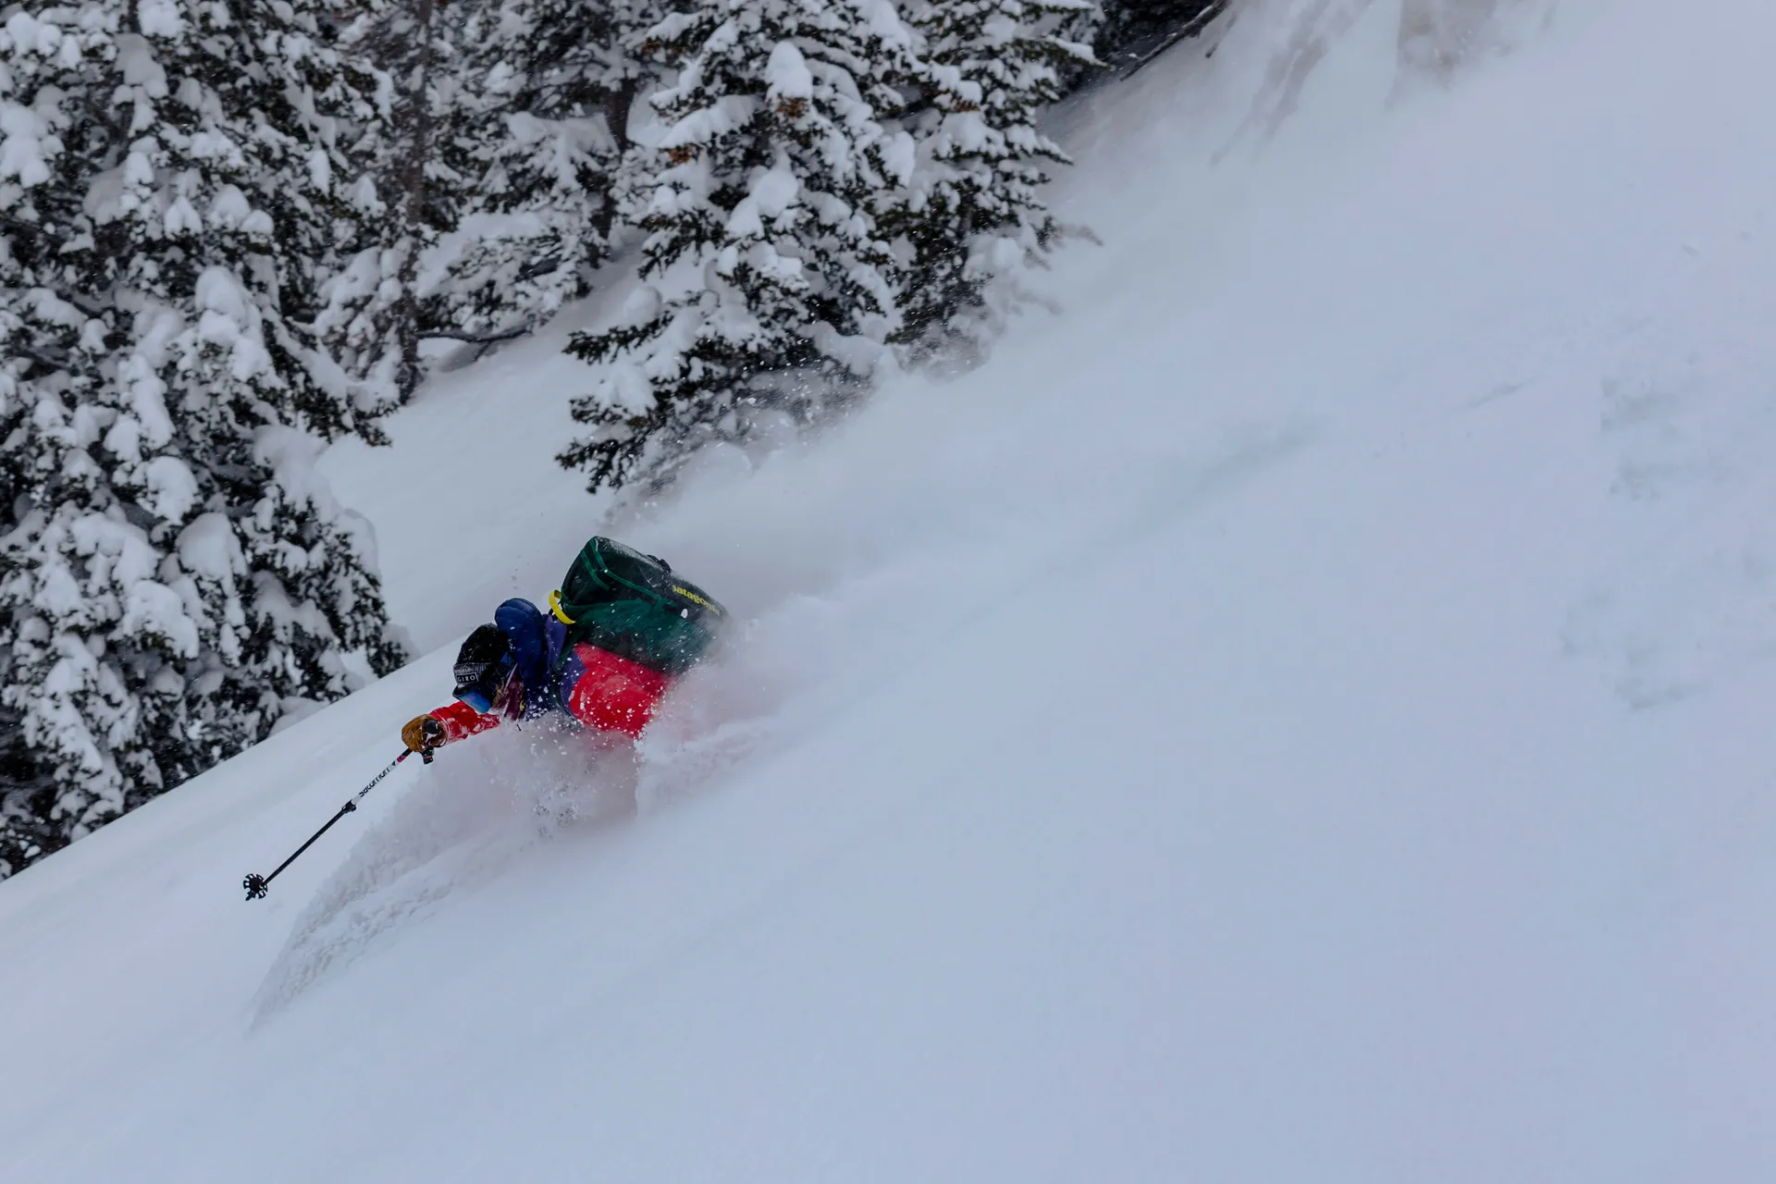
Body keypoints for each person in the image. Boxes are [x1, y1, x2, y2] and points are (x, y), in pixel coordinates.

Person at [401, 538, 727, 772]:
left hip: (707, 687)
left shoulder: (583, 687)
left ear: (511, 674)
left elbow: (674, 734)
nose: (492, 712)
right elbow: (496, 704)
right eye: (478, 702)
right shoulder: (547, 649)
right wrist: (441, 725)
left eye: (487, 700)